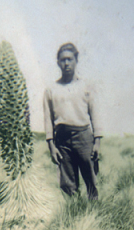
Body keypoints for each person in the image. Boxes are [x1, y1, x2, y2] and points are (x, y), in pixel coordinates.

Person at [43, 43, 103, 200]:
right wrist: (51, 146)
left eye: (70, 59)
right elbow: (48, 119)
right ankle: (74, 219)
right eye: (62, 60)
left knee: (91, 181)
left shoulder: (86, 86)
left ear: (76, 60)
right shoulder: (51, 90)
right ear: (58, 62)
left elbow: (95, 114)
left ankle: (95, 216)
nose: (66, 63)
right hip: (62, 140)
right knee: (68, 186)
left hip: (84, 137)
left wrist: (97, 142)